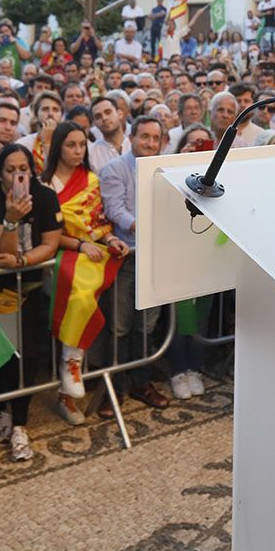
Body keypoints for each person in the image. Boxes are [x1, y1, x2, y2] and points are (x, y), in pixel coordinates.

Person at [0, 143, 62, 459]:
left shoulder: (45, 196)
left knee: (29, 354)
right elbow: (1, 251)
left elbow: (50, 244)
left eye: (23, 169)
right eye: (10, 170)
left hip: (33, 286)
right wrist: (11, 220)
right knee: (2, 354)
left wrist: (24, 261)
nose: (17, 175)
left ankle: (22, 421)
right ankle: (1, 409)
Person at [40, 121, 130, 425]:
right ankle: (71, 363)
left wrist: (110, 239)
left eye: (82, 145)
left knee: (89, 302)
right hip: (59, 255)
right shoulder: (46, 184)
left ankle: (71, 377)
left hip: (92, 253)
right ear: (58, 148)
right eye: (71, 145)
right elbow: (47, 233)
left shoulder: (91, 179)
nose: (78, 151)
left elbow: (99, 224)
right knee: (79, 296)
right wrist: (79, 245)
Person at [94, 116, 172, 408]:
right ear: (131, 137)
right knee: (119, 325)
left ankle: (141, 382)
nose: (150, 143)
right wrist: (147, 227)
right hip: (126, 258)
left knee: (146, 326)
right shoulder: (114, 168)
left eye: (155, 138)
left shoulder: (165, 170)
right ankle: (111, 387)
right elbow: (115, 210)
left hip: (154, 258)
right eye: (144, 137)